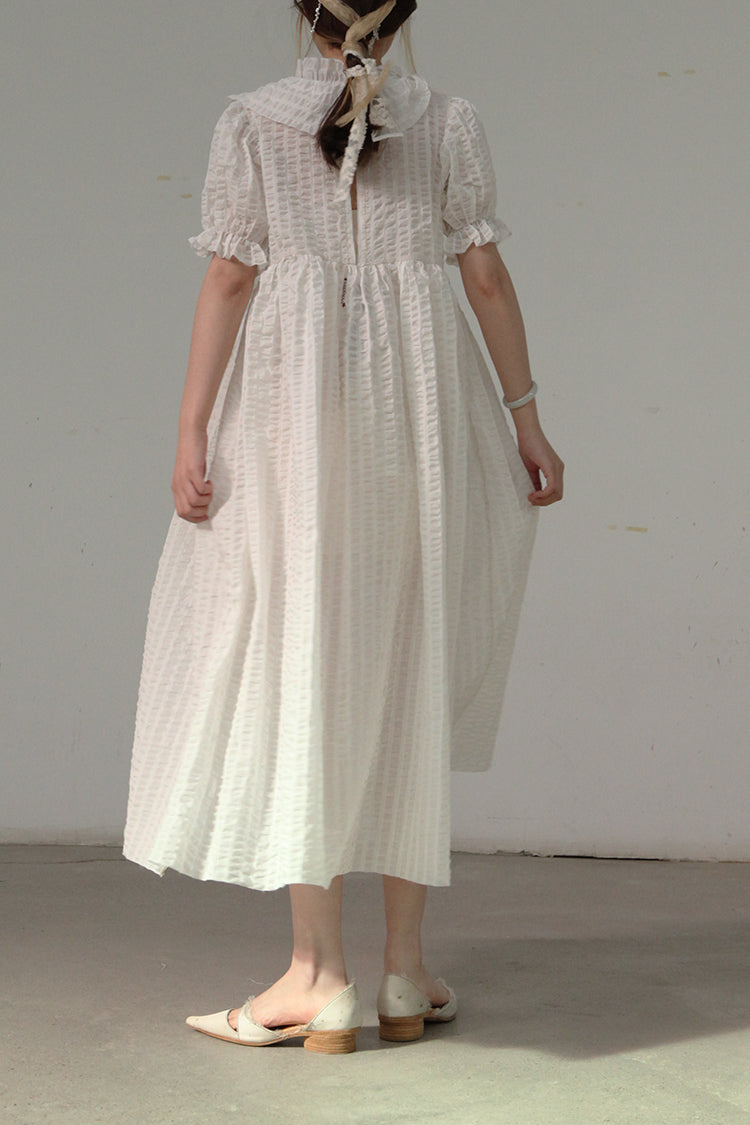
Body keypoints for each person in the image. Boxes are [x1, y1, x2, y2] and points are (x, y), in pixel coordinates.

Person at [122, 0, 564, 1054]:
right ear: (402, 14)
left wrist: (189, 429)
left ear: (303, 13)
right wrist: (526, 419)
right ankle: (404, 970)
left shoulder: (252, 121)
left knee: (299, 660)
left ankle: (318, 977)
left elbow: (231, 275)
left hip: (294, 417)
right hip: (420, 414)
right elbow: (485, 274)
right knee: (409, 658)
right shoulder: (446, 119)